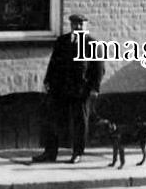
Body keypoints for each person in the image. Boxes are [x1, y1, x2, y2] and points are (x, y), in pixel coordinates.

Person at [33, 13, 105, 164]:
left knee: (80, 122)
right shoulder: (62, 41)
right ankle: (50, 153)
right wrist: (47, 81)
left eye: (80, 24)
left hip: (81, 90)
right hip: (60, 88)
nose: (77, 27)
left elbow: (99, 68)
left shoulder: (92, 43)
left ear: (85, 25)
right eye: (74, 24)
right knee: (53, 120)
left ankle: (77, 153)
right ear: (71, 25)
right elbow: (53, 62)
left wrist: (94, 88)